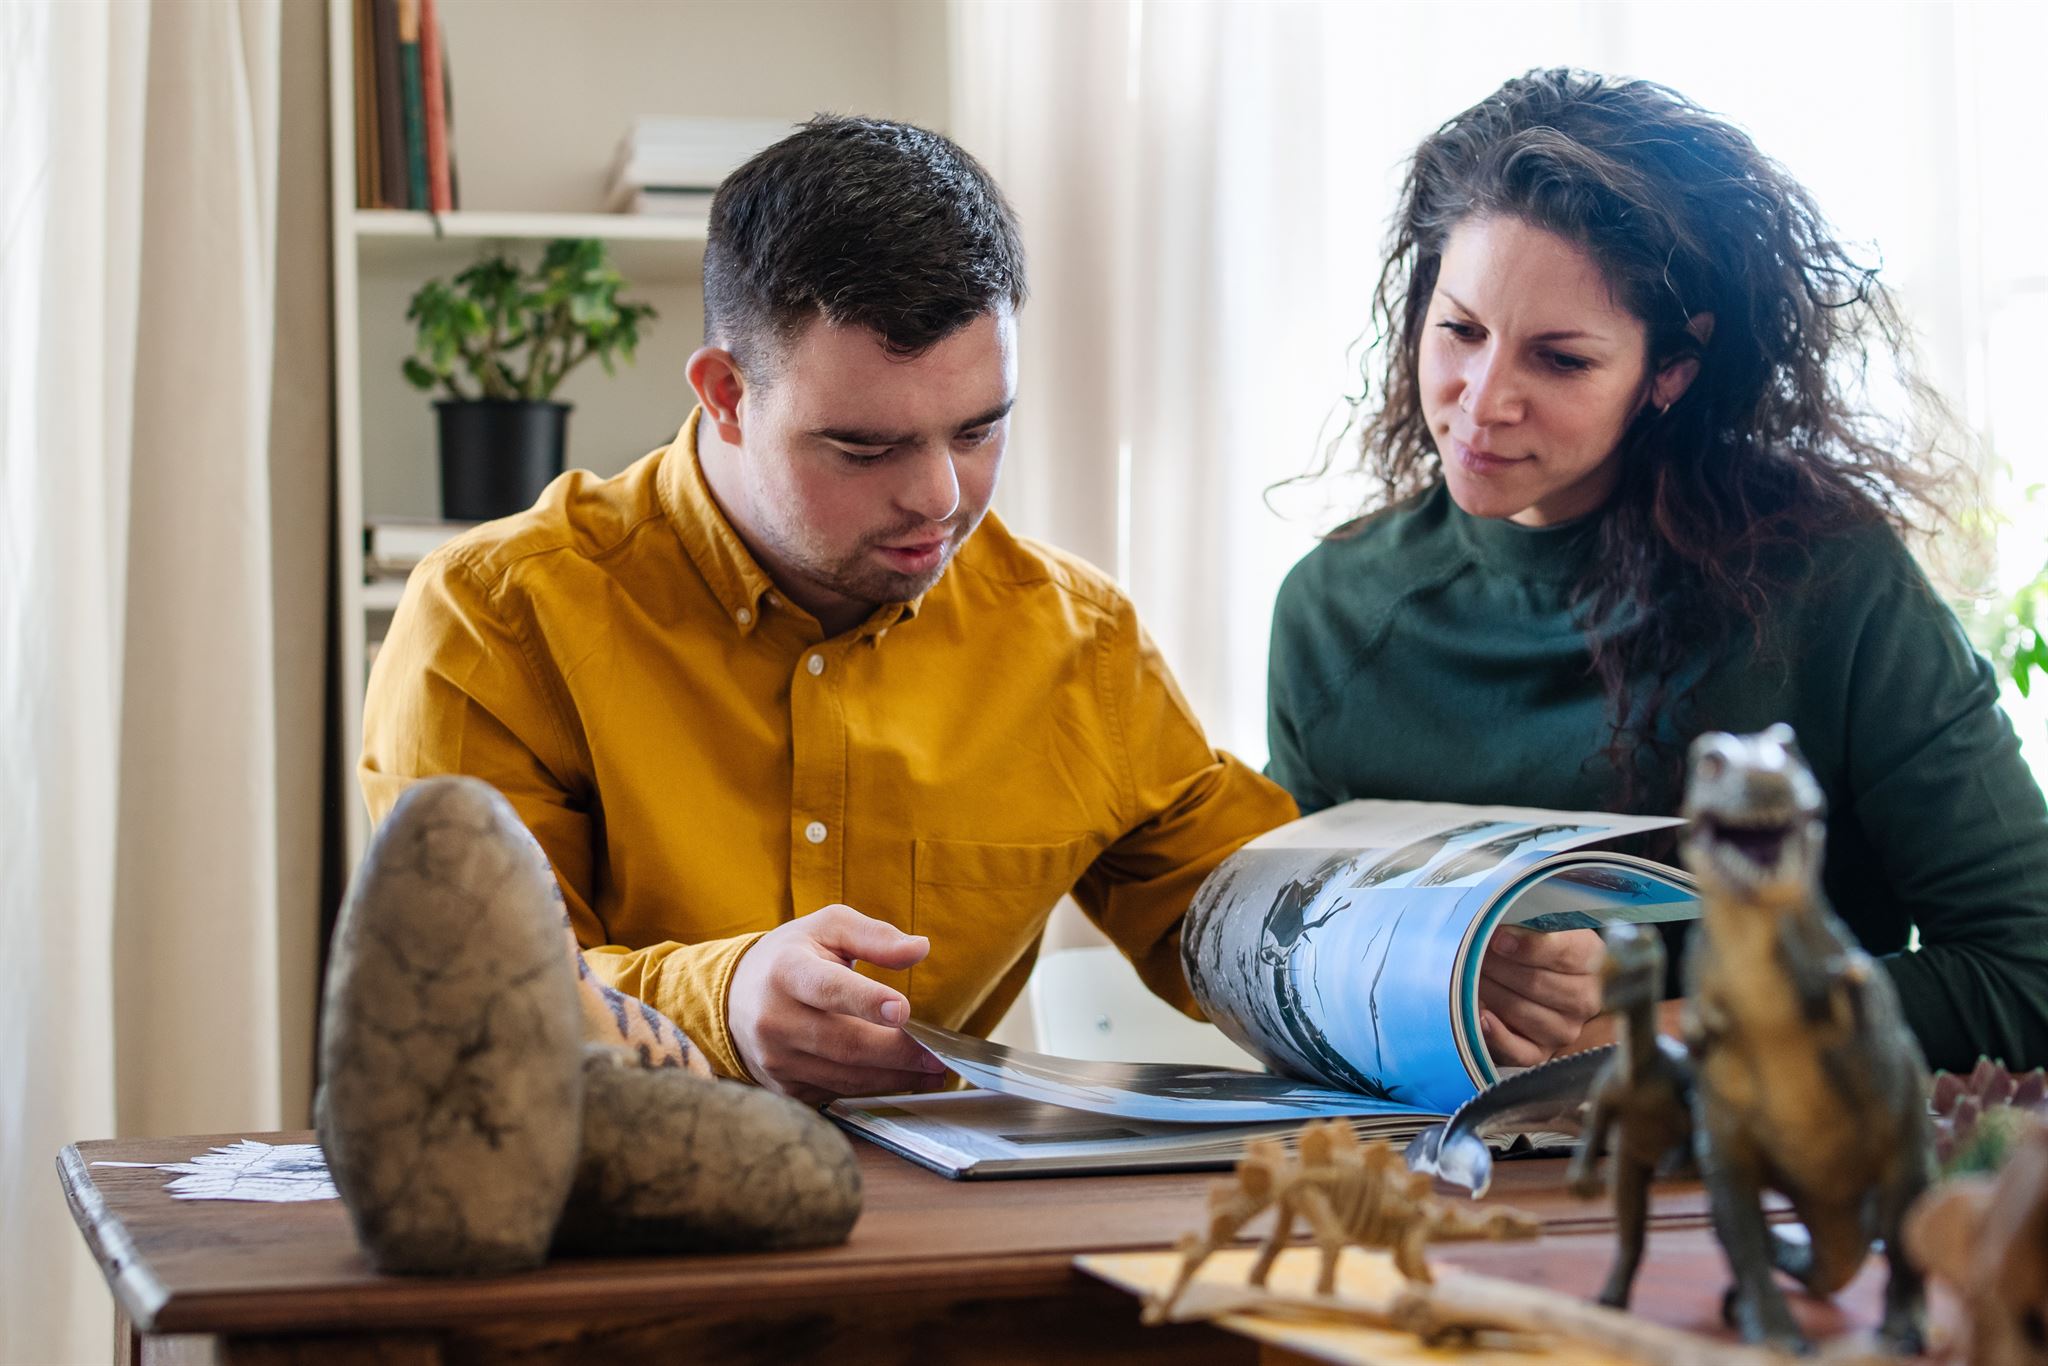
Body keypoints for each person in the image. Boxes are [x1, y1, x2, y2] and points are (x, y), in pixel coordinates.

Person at [1267, 69, 2048, 1074]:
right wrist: (1424, 972)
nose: (1480, 399)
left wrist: (1636, 1038)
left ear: (1668, 374)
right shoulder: (1332, 612)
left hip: (1755, 1185)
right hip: (1419, 1179)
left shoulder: (1826, 585)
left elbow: (2024, 970)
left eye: (1557, 360)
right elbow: (1290, 961)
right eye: (1458, 329)